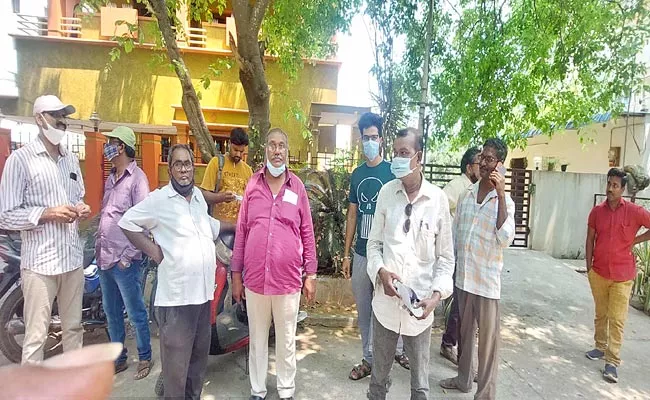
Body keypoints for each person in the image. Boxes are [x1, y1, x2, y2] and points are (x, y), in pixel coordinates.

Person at [119, 144, 229, 399]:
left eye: (188, 164)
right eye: (178, 164)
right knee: (176, 373)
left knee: (197, 365)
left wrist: (239, 225)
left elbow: (210, 226)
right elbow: (127, 222)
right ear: (170, 169)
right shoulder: (159, 200)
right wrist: (152, 251)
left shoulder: (199, 197)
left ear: (193, 167)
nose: (184, 169)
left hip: (202, 297)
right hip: (177, 301)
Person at [0, 95, 90, 364]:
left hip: (72, 260)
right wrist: (47, 214)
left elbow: (79, 196)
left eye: (65, 116)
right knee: (36, 335)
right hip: (40, 264)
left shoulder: (71, 159)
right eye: (56, 115)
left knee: (73, 329)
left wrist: (81, 207)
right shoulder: (21, 160)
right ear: (39, 119)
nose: (62, 122)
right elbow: (5, 216)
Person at [366, 127, 455, 400]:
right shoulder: (385, 193)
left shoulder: (437, 200)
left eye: (404, 153)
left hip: (420, 312)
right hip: (386, 307)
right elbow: (373, 245)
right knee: (378, 380)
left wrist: (437, 296)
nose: (397, 159)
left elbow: (446, 258)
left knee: (420, 385)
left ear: (419, 157)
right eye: (395, 153)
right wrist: (380, 272)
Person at [231, 128, 317, 400]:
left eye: (282, 145)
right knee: (256, 339)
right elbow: (242, 230)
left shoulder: (298, 188)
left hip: (288, 280)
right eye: (272, 145)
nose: (277, 150)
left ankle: (286, 390)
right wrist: (236, 274)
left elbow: (307, 231)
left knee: (286, 340)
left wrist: (311, 273)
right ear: (265, 149)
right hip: (255, 279)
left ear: (287, 151)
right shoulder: (253, 185)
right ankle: (257, 390)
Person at [439, 138, 515, 400]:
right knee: (464, 335)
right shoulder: (466, 195)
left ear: (500, 165)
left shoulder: (504, 201)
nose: (483, 162)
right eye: (482, 156)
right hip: (464, 278)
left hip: (487, 282)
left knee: (488, 344)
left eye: (490, 159)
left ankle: (485, 393)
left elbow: (505, 238)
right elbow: (455, 234)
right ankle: (463, 380)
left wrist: (502, 194)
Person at [342, 113, 409, 380]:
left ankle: (397, 351)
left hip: (387, 255)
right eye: (365, 138)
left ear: (381, 139)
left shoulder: (393, 172)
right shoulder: (357, 175)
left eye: (373, 137)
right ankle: (368, 359)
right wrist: (346, 254)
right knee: (364, 309)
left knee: (391, 306)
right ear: (360, 140)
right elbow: (351, 215)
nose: (369, 141)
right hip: (361, 254)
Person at [95, 126, 153, 378]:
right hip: (105, 257)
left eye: (112, 142)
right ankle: (118, 358)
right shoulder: (111, 178)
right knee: (111, 312)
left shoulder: (137, 179)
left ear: (123, 147)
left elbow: (143, 221)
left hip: (124, 260)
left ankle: (144, 357)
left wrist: (128, 258)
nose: (107, 145)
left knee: (135, 311)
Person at [584, 167, 650, 383]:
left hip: (623, 275)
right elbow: (590, 239)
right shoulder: (597, 212)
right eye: (609, 184)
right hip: (599, 272)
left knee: (617, 319)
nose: (610, 189)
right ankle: (599, 347)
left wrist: (636, 241)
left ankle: (612, 362)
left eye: (615, 186)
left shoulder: (634, 211)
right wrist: (589, 267)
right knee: (601, 313)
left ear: (623, 189)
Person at [439, 147, 481, 365]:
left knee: (465, 306)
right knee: (457, 303)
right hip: (455, 254)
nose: (482, 166)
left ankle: (452, 344)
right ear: (468, 167)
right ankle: (448, 343)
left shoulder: (477, 188)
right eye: (478, 163)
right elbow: (440, 207)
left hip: (470, 258)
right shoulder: (459, 185)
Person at [200, 127, 253, 223]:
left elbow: (252, 200)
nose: (238, 154)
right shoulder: (216, 163)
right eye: (235, 150)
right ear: (229, 144)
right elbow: (203, 195)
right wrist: (221, 197)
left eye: (241, 151)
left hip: (239, 227)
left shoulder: (248, 170)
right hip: (218, 226)